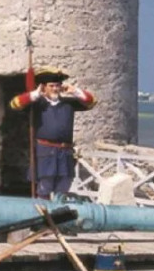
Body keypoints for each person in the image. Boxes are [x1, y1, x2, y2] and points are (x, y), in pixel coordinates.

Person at [9, 67, 96, 199]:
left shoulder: (69, 104)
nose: (55, 89)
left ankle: (58, 214)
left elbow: (91, 102)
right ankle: (43, 214)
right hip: (45, 152)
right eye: (52, 86)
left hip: (65, 153)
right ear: (44, 87)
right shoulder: (37, 104)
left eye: (58, 85)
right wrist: (34, 95)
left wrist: (75, 91)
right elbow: (15, 104)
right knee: (45, 187)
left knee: (63, 187)